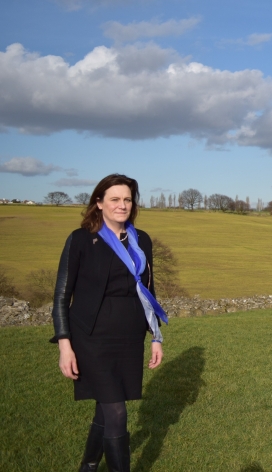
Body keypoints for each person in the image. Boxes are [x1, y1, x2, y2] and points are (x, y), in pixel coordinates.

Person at [51, 174, 168, 472]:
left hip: (129, 336)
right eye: (114, 199)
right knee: (116, 410)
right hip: (91, 336)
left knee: (107, 405)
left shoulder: (141, 240)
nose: (122, 205)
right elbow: (62, 295)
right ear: (99, 203)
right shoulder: (81, 239)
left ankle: (88, 465)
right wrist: (65, 344)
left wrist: (156, 337)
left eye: (127, 199)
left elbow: (148, 291)